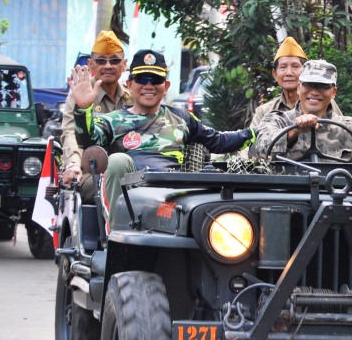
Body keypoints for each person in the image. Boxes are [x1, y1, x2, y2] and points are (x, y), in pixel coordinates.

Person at [70, 49, 256, 224]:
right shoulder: (113, 120)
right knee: (117, 160)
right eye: (142, 79)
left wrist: (256, 133)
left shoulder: (182, 118)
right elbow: (88, 141)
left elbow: (218, 141)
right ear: (129, 84)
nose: (149, 86)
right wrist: (83, 109)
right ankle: (116, 236)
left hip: (171, 196)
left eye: (156, 80)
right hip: (129, 198)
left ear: (166, 86)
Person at [59, 30, 132, 188]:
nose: (108, 66)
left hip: (128, 173)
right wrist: (73, 164)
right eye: (101, 61)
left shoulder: (131, 96)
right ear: (91, 64)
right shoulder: (80, 93)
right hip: (90, 172)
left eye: (114, 60)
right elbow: (71, 133)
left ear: (124, 64)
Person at [248, 36, 339, 129]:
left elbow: (341, 130)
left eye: (295, 66)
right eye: (283, 67)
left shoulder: (323, 103)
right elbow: (254, 137)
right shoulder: (264, 111)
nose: (289, 73)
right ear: (275, 74)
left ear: (305, 73)